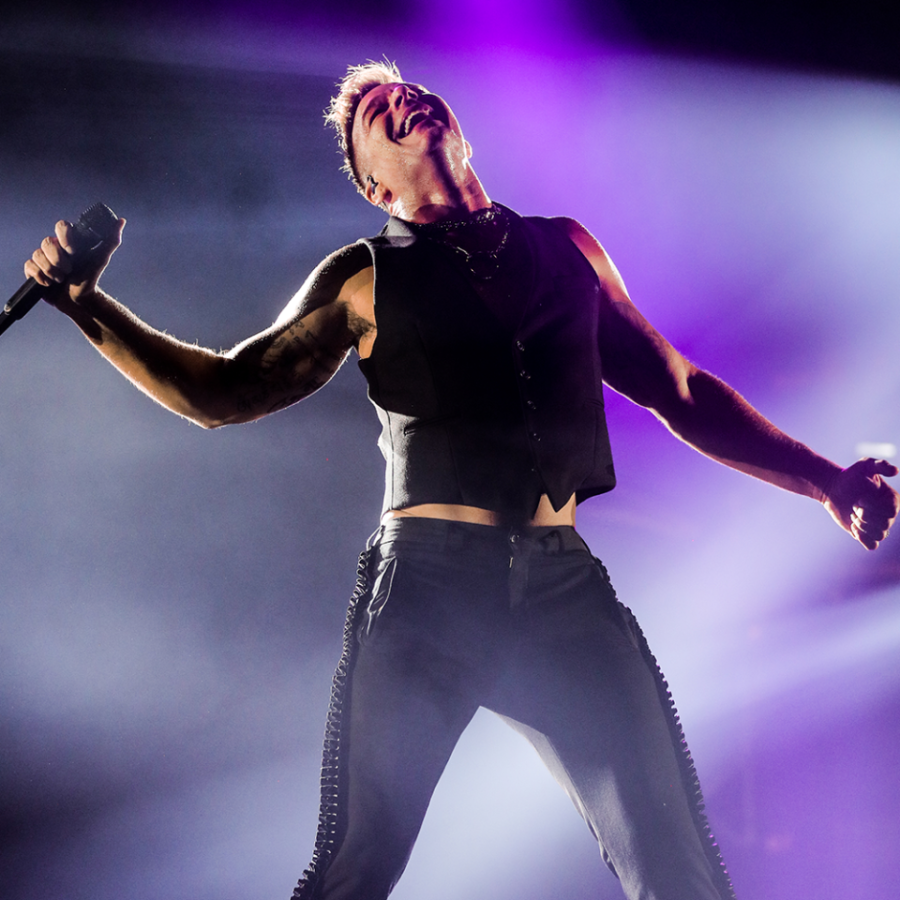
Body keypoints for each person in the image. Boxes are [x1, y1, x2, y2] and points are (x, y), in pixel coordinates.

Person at [24, 60, 898, 900]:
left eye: (410, 92)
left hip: (565, 597)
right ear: (373, 185)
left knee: (680, 870)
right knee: (353, 875)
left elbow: (680, 389)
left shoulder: (569, 252)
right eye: (377, 114)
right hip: (426, 595)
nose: (402, 102)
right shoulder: (364, 277)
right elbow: (224, 393)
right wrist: (87, 306)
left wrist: (828, 481)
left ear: (461, 131)